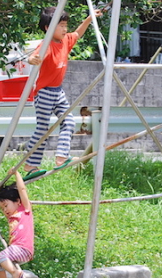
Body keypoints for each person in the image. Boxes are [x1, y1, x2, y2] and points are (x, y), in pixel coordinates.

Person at [23, 6, 102, 180]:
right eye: (61, 26)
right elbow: (34, 56)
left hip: (58, 91)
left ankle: (61, 157)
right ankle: (31, 164)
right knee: (42, 128)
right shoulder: (46, 45)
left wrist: (89, 19)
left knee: (69, 122)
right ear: (47, 28)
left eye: (65, 25)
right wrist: (32, 59)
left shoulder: (66, 40)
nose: (65, 29)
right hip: (44, 92)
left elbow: (78, 33)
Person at [0, 170, 34, 278]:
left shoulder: (25, 211)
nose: (5, 210)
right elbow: (5, 196)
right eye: (2, 208)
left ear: (18, 201)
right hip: (17, 250)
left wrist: (16, 174)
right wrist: (0, 190)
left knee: (0, 257)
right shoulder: (11, 217)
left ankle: (15, 272)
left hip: (23, 248)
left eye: (6, 205)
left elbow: (22, 190)